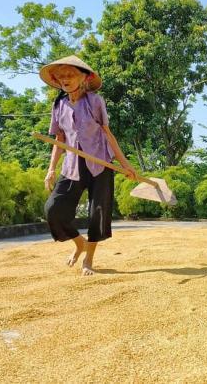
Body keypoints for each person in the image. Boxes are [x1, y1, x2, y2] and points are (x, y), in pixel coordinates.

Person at [40, 55, 139, 276]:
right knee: (53, 209)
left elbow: (108, 134)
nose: (65, 79)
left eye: (71, 74)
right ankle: (79, 244)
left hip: (100, 163)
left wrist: (126, 165)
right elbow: (59, 140)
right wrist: (51, 169)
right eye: (62, 75)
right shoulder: (59, 104)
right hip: (72, 165)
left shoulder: (95, 101)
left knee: (98, 213)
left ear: (84, 77)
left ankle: (89, 259)